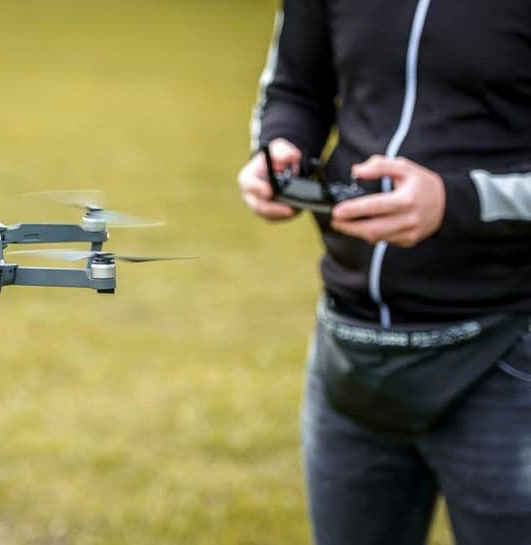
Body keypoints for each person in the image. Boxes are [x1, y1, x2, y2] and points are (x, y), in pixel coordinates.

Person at [238, 1, 531, 544]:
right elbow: (294, 88)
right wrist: (282, 151)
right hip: (349, 346)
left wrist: (456, 201)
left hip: (505, 354)